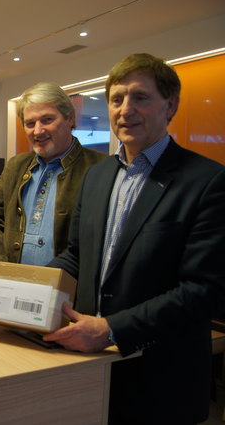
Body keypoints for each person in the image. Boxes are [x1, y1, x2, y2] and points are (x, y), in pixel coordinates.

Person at [43, 53, 225, 424]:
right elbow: (77, 254)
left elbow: (204, 290)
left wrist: (112, 328)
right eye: (117, 99)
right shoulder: (96, 176)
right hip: (92, 367)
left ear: (170, 105)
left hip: (161, 378)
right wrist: (30, 292)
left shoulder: (208, 181)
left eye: (140, 97)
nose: (126, 110)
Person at [0, 82, 105, 266]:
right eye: (30, 123)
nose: (38, 131)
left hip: (69, 290)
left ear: (69, 118)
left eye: (47, 120)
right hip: (13, 286)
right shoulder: (16, 166)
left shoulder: (99, 168)